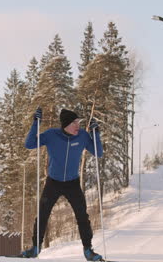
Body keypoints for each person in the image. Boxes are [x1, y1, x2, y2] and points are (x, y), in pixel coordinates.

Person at [21, 108, 104, 261]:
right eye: (74, 123)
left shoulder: (83, 136)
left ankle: (88, 250)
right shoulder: (52, 135)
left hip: (72, 183)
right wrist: (36, 124)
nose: (78, 125)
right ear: (65, 124)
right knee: (42, 215)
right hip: (53, 182)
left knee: (82, 216)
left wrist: (95, 133)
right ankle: (35, 248)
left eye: (78, 122)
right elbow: (29, 144)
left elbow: (98, 153)